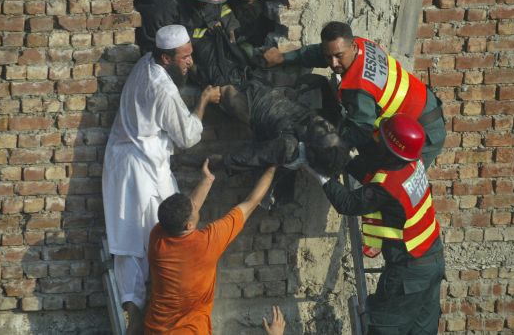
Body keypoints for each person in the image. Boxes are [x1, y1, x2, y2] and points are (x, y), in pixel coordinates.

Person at [102, 25, 221, 334]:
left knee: (134, 240)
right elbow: (188, 136)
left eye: (190, 54)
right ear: (166, 59)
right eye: (184, 57)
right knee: (148, 239)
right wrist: (205, 100)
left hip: (127, 161)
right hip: (141, 169)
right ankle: (138, 320)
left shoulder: (146, 63)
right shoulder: (162, 89)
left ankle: (142, 312)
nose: (190, 62)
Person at [306, 114, 445, 334]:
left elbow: (349, 204)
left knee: (383, 327)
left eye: (380, 138)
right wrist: (347, 159)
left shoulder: (389, 184)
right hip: (433, 260)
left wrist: (321, 176)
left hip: (409, 274)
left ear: (391, 149)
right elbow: (375, 177)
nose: (375, 139)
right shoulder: (412, 163)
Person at [264, 21, 446, 169]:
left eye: (339, 56)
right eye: (329, 57)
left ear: (351, 46)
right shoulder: (359, 44)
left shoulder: (358, 89)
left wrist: (323, 138)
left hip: (422, 134)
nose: (334, 63)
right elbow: (319, 53)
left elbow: (361, 132)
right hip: (422, 104)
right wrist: (283, 57)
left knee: (393, 190)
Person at [144, 161, 277, 334]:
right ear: (189, 226)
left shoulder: (157, 236)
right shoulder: (207, 243)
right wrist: (273, 166)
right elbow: (251, 202)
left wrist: (207, 180)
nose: (196, 206)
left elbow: (190, 209)